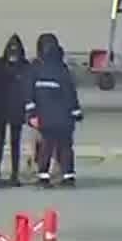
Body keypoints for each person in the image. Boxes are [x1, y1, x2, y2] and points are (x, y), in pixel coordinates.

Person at [25, 33, 83, 188]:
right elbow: (70, 94)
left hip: (46, 118)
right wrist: (76, 113)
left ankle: (43, 177)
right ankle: (68, 176)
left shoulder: (35, 69)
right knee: (65, 147)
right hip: (64, 118)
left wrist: (31, 115)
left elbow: (29, 94)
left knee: (46, 147)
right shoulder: (63, 70)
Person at [0, 34, 31, 186]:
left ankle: (10, 173)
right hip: (5, 108)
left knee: (11, 143)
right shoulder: (24, 66)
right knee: (2, 143)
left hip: (11, 109)